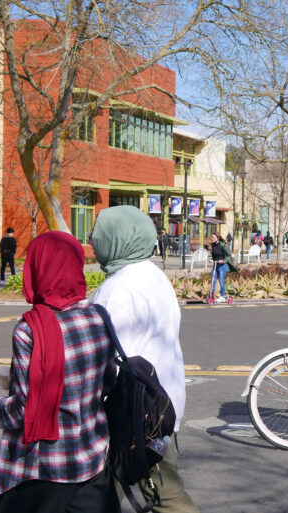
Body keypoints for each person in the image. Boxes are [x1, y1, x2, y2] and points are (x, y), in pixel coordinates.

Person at [0, 231, 119, 513]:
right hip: (92, 459)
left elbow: (24, 411)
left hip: (43, 469)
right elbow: (107, 384)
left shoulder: (30, 330)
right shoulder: (99, 316)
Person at [90, 206, 199, 513]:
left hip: (137, 414)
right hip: (162, 404)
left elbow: (104, 361)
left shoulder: (116, 290)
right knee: (113, 488)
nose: (93, 240)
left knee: (164, 493)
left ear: (116, 239)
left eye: (99, 235)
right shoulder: (152, 274)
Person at [209, 233, 237, 302]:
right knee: (213, 281)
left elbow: (229, 255)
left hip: (222, 266)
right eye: (211, 237)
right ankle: (211, 296)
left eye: (213, 237)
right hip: (216, 265)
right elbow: (214, 255)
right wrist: (212, 259)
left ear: (217, 238)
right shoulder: (213, 245)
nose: (211, 238)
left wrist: (223, 261)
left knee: (221, 281)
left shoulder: (222, 245)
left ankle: (222, 296)